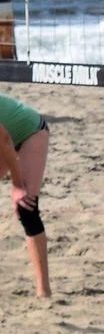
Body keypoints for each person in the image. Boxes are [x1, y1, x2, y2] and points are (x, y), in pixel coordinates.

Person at [0, 93, 52, 299]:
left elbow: (4, 140)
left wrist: (17, 184)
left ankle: (44, 290)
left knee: (26, 207)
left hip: (30, 132)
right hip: (5, 139)